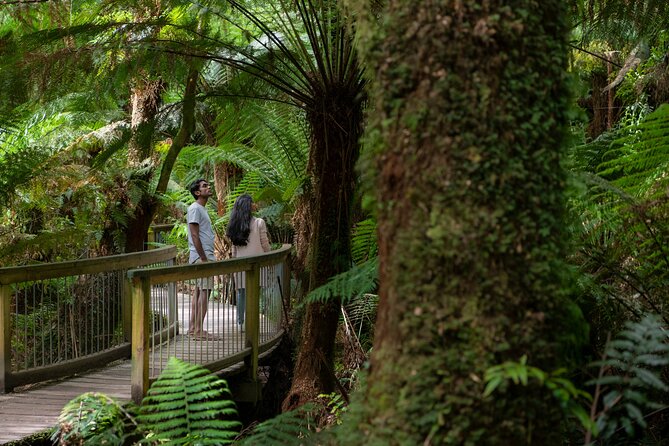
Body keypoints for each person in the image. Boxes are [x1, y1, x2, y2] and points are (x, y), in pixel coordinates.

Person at [226, 194, 271, 331]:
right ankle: (252, 322)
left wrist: (234, 262)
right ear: (248, 205)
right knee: (255, 293)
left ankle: (241, 323)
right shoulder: (259, 222)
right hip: (257, 263)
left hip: (241, 263)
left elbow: (233, 248)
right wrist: (270, 257)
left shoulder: (234, 225)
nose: (254, 204)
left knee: (241, 293)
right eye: (252, 202)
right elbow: (265, 244)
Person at [186, 179, 216, 339]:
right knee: (205, 291)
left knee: (199, 291)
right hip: (202, 257)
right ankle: (198, 330)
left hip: (202, 255)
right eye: (205, 186)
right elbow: (194, 234)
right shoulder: (195, 209)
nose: (208, 187)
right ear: (197, 192)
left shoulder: (201, 209)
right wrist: (204, 257)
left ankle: (193, 328)